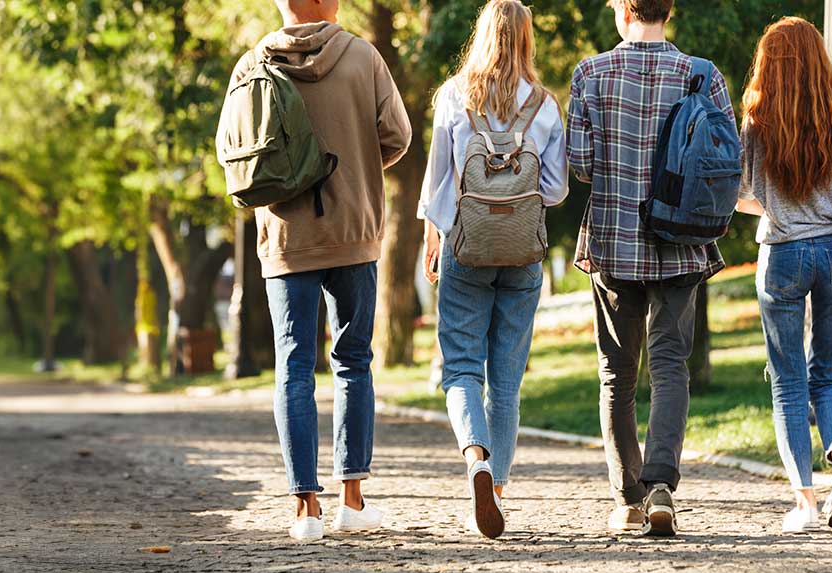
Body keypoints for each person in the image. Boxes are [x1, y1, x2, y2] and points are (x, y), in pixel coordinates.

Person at [228, 0, 411, 541]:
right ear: (331, 4)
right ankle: (352, 500)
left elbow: (235, 154)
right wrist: (354, 165)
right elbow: (397, 136)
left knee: (293, 365)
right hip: (353, 231)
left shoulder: (251, 65)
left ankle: (304, 508)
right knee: (353, 361)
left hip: (286, 234)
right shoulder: (363, 57)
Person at [567, 0, 736, 536]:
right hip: (682, 240)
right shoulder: (702, 75)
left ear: (622, 11)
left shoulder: (590, 74)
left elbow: (581, 166)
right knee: (670, 366)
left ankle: (627, 498)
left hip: (615, 242)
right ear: (671, 11)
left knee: (617, 373)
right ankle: (662, 487)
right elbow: (726, 164)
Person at [418, 0, 568, 539]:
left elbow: (438, 182)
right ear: (527, 41)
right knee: (506, 382)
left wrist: (432, 240)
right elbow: (554, 191)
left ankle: (476, 461)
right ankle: (497, 491)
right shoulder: (546, 106)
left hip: (466, 246)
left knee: (460, 367)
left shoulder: (454, 98)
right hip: (523, 254)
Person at [735, 16, 832, 533]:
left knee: (788, 384)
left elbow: (744, 196)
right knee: (827, 376)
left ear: (769, 64)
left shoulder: (757, 121)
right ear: (820, 60)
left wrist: (778, 206)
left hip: (783, 257)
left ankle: (806, 505)